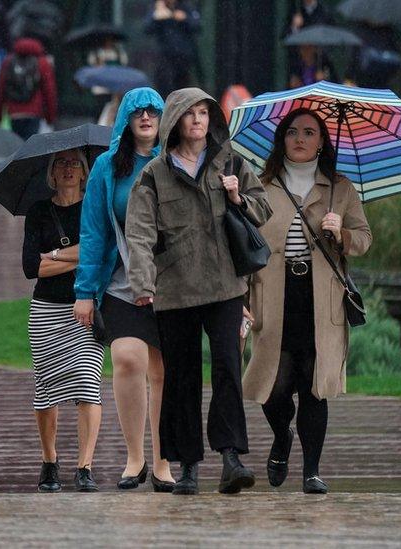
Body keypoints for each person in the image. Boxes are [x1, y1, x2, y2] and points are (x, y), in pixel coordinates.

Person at [124, 87, 272, 496]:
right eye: (189, 113)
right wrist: (142, 283)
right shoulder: (153, 174)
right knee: (181, 377)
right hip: (174, 291)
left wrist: (237, 195)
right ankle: (186, 466)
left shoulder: (230, 162)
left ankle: (231, 458)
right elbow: (138, 233)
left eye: (204, 112)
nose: (198, 120)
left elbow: (263, 208)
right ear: (174, 121)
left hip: (225, 285)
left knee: (227, 367)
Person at [242, 108, 371, 494]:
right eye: (293, 131)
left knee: (316, 385)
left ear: (322, 141)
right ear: (282, 138)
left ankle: (311, 470)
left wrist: (342, 233)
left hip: (321, 299)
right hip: (273, 294)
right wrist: (241, 297)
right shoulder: (261, 186)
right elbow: (245, 243)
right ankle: (282, 436)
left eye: (309, 132)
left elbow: (364, 239)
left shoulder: (340, 188)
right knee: (273, 386)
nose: (300, 138)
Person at [74, 87, 176, 492]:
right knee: (128, 359)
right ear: (126, 119)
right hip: (121, 283)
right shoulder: (105, 167)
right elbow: (94, 229)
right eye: (138, 111)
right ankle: (135, 457)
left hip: (171, 284)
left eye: (154, 111)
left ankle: (164, 458)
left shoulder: (174, 160)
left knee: (164, 370)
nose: (147, 117)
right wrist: (85, 290)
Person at [23, 149, 106, 493]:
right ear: (52, 174)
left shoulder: (95, 207)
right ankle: (49, 460)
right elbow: (31, 268)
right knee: (47, 391)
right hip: (46, 312)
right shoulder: (39, 211)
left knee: (89, 384)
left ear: (86, 173)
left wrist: (55, 254)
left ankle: (85, 466)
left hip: (86, 309)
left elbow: (102, 252)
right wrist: (82, 254)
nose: (69, 169)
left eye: (75, 163)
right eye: (61, 163)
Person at [0, 37, 57, 139]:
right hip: (34, 113)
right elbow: (49, 92)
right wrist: (50, 117)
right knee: (30, 148)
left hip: (14, 113)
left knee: (17, 146)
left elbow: (1, 91)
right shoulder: (42, 63)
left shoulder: (8, 62)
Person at [144, 0, 201, 97]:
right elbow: (147, 28)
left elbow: (197, 25)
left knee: (182, 88)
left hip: (183, 57)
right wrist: (156, 16)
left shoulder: (185, 6)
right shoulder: (157, 7)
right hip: (164, 57)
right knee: (164, 85)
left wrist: (184, 18)